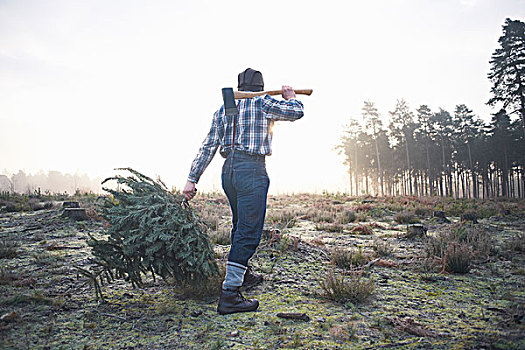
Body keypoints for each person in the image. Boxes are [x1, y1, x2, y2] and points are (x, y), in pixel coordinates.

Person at [183, 68, 304, 314]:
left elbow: (208, 147)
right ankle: (230, 295)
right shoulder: (263, 102)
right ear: (260, 87)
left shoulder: (223, 110)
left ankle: (243, 275)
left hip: (228, 172)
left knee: (240, 226)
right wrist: (290, 96)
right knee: (249, 232)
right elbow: (297, 112)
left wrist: (192, 179)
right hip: (252, 170)